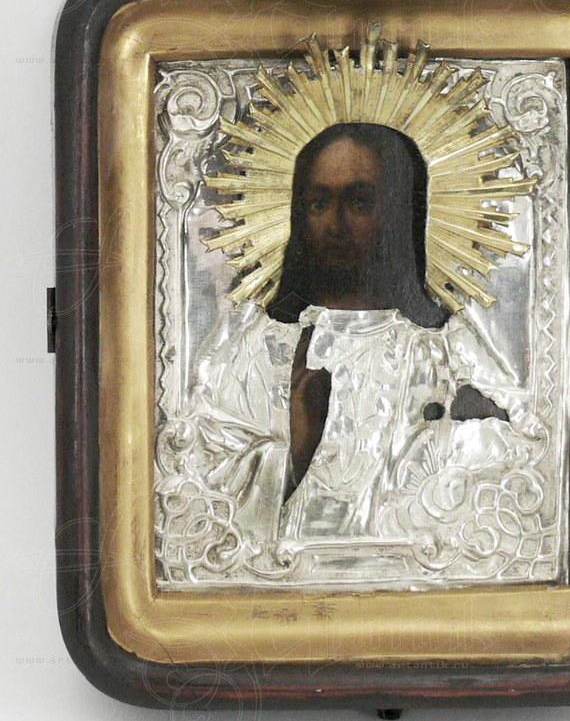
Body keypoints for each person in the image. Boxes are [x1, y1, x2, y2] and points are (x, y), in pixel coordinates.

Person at [156, 122, 540, 579]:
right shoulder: (259, 350)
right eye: (318, 203)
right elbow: (197, 486)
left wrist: (448, 442)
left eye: (359, 202)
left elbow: (522, 468)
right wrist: (295, 452)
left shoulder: (446, 352)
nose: (335, 225)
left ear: (398, 212)